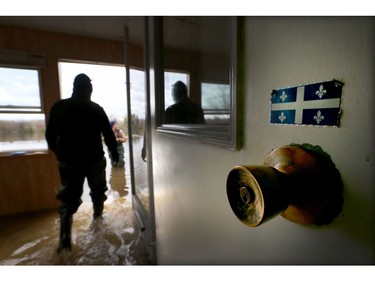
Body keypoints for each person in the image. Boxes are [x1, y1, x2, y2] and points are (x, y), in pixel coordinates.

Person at [45, 73, 119, 253]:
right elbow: (109, 137)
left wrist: (60, 154)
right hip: (94, 160)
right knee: (98, 193)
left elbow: (49, 136)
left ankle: (64, 240)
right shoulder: (96, 109)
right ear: (90, 90)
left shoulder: (59, 107)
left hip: (68, 162)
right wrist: (114, 154)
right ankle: (97, 224)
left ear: (74, 88)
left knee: (68, 199)